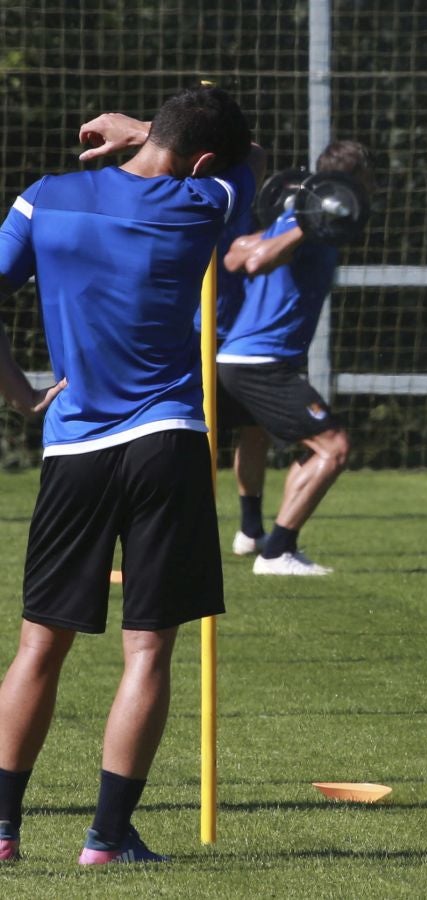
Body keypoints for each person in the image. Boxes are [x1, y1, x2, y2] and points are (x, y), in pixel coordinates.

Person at [0, 86, 261, 864]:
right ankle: (107, 840)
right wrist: (146, 132)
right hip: (166, 443)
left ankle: (2, 832)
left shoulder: (43, 200)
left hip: (73, 448)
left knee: (38, 648)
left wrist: (22, 396)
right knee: (147, 651)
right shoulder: (204, 201)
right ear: (204, 161)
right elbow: (247, 161)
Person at [217, 140, 371, 576]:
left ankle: (257, 535)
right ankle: (277, 552)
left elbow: (236, 253)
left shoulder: (292, 217)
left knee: (270, 438)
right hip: (259, 363)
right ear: (356, 181)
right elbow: (248, 263)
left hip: (243, 360)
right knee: (334, 447)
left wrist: (302, 222)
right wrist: (307, 223)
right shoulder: (302, 220)